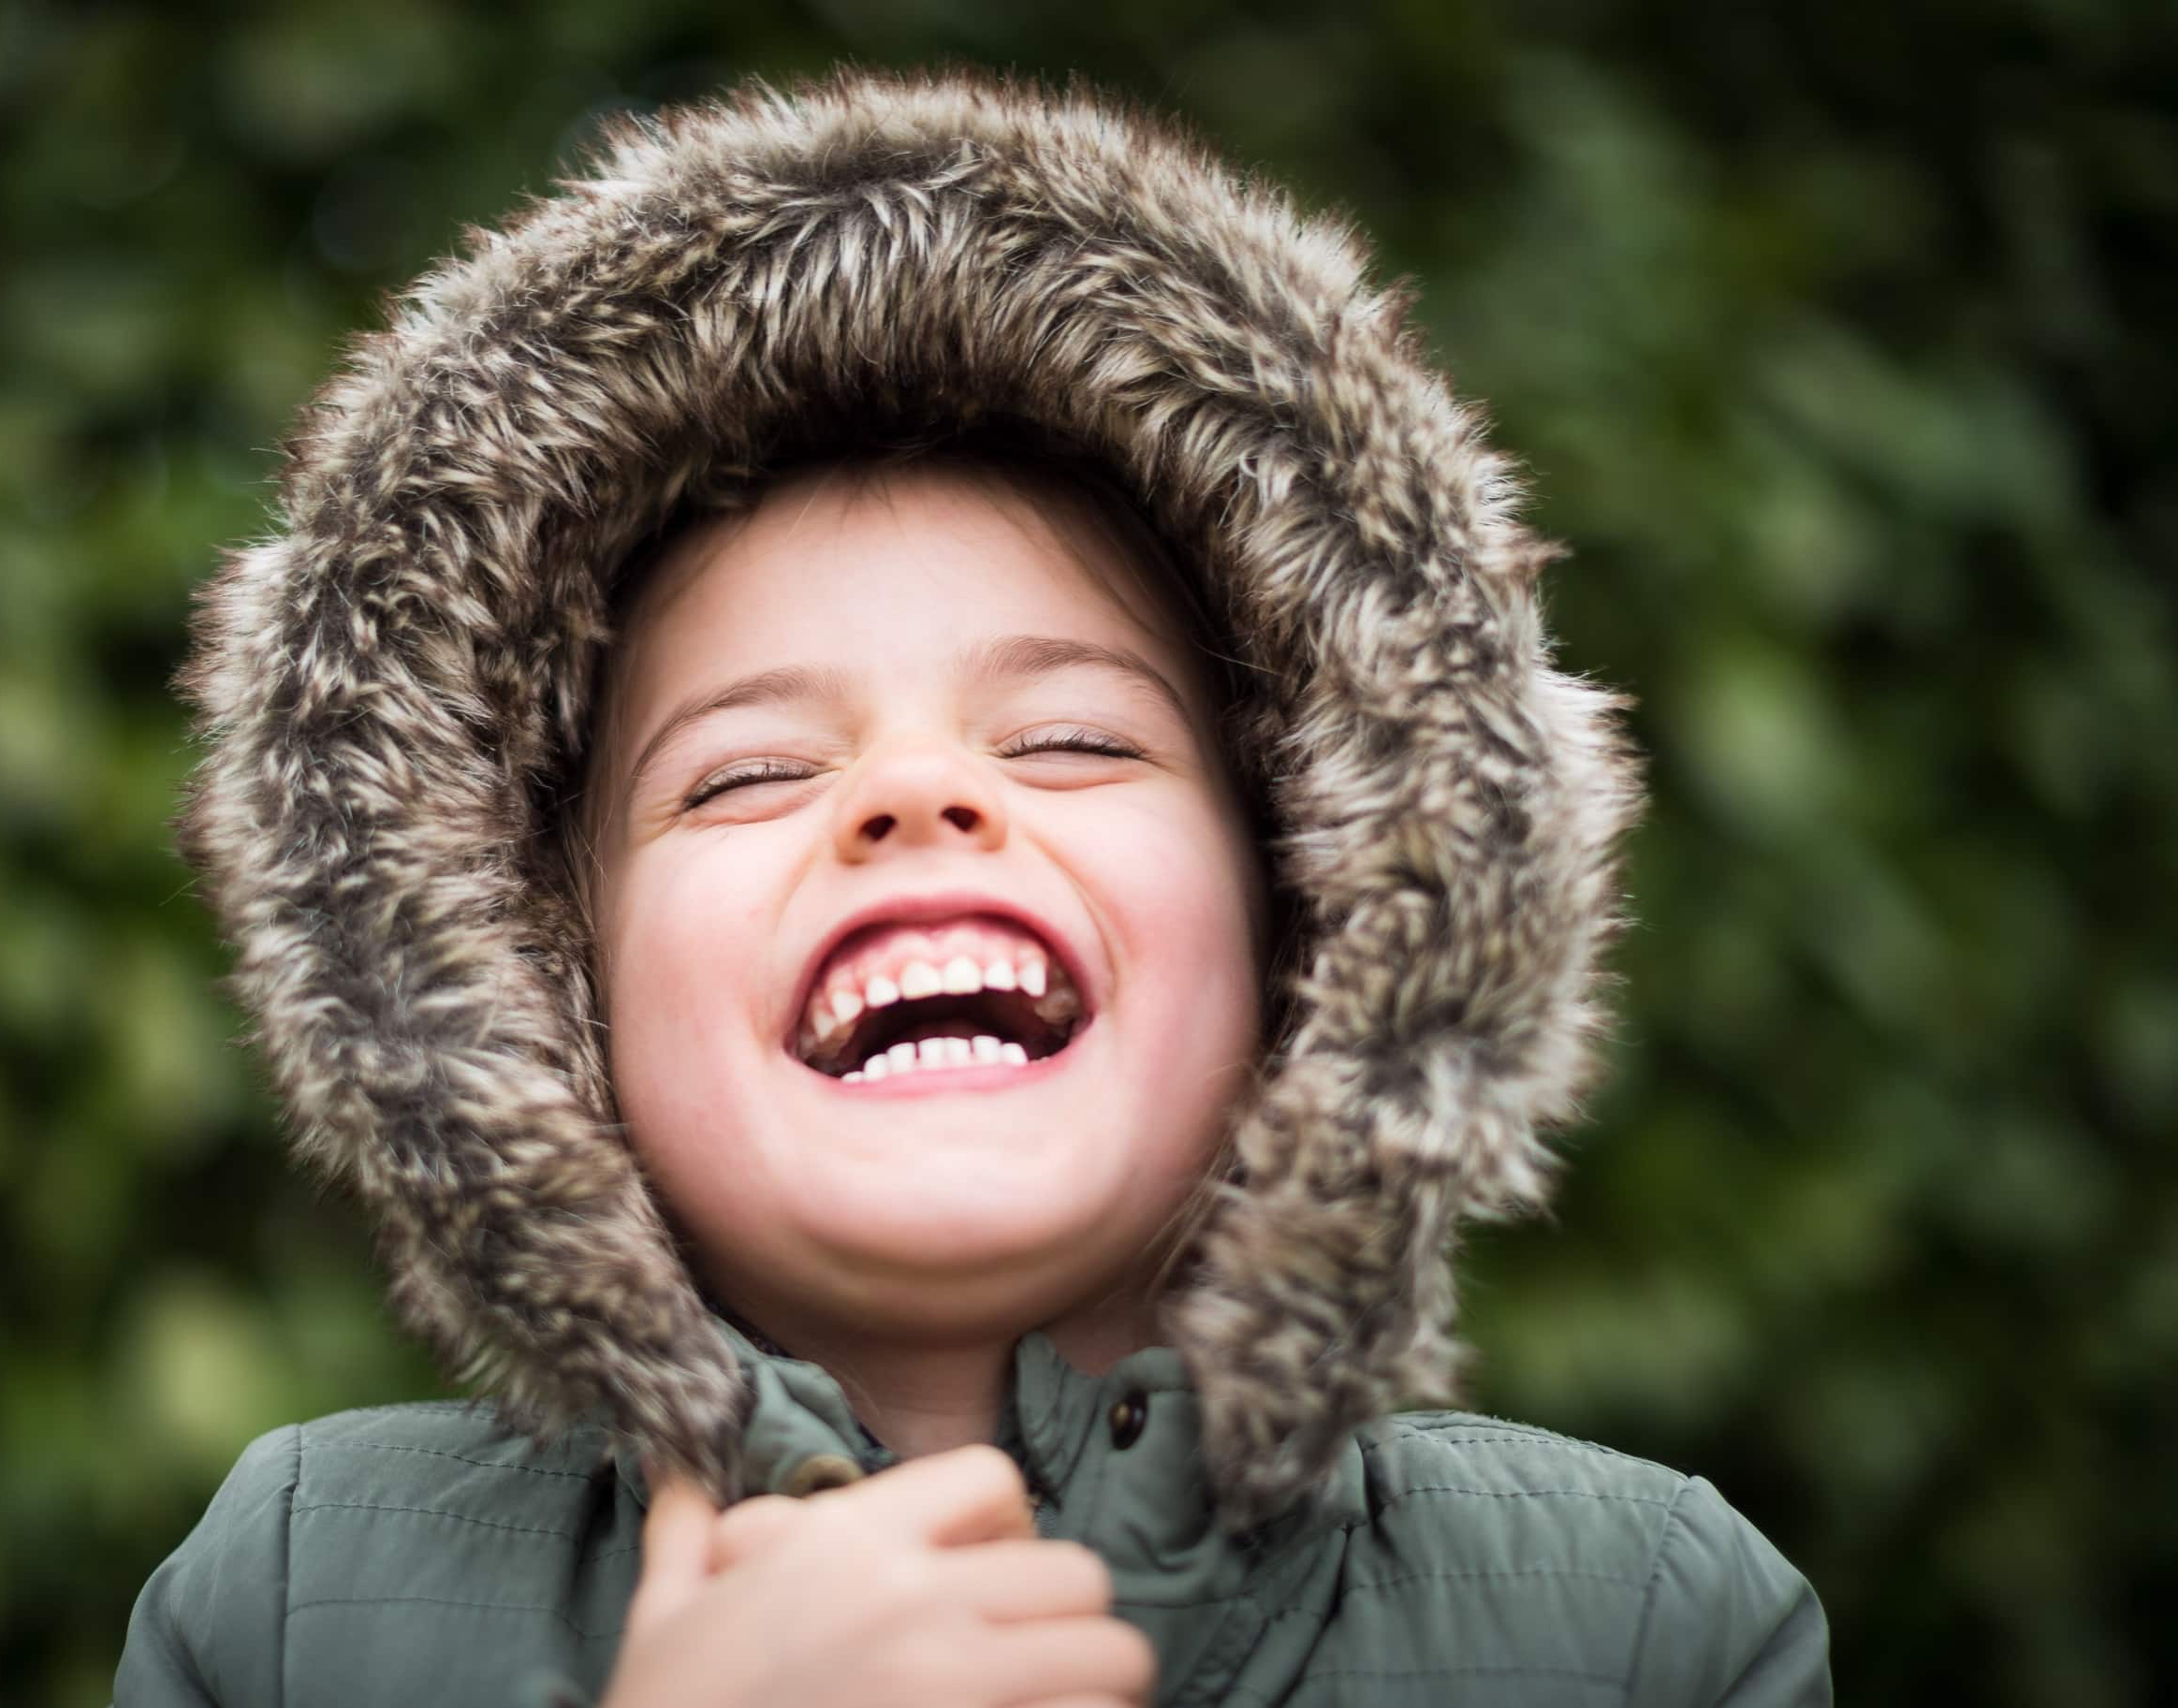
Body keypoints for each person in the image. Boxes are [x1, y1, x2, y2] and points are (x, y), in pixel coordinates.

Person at [114, 64, 1831, 1708]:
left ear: (1310, 926)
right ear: (542, 988)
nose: (914, 792)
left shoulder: (1643, 1620)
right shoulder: (283, 1598)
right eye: (749, 771)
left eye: (1075, 740)